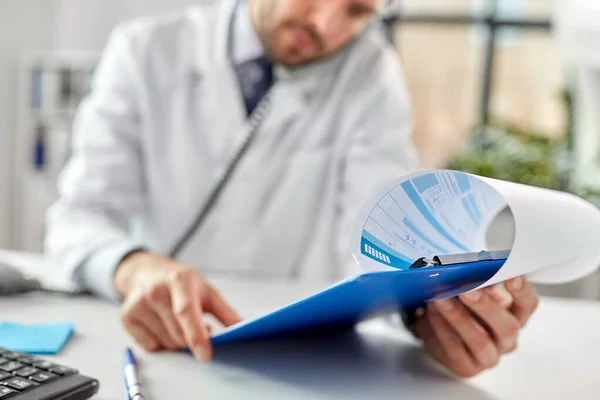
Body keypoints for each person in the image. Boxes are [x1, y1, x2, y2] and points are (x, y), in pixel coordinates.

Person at [45, 0, 539, 378]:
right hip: (159, 347)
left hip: (296, 362)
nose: (325, 25)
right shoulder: (145, 49)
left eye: (357, 10)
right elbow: (78, 217)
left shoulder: (371, 74)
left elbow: (381, 236)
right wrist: (133, 266)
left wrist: (429, 313)